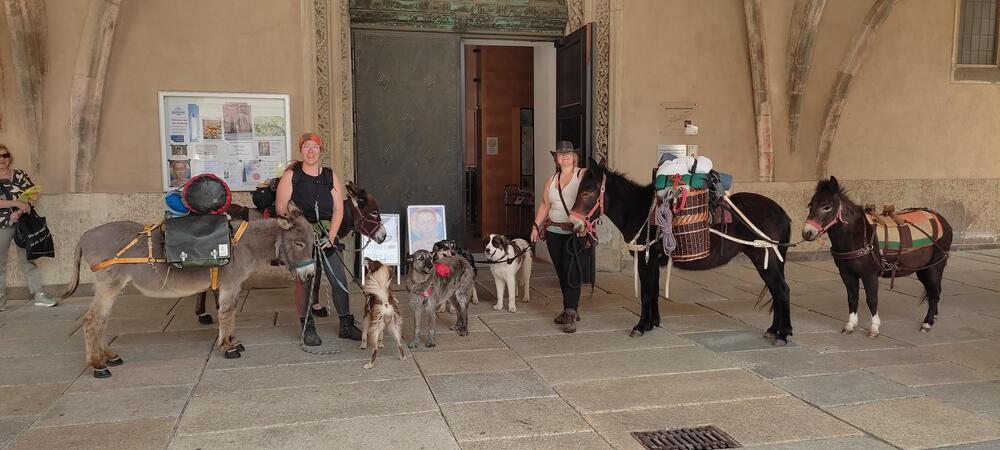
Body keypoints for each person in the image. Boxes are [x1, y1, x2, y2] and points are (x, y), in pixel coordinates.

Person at [275, 132, 362, 345]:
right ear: (301, 150)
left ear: (320, 149)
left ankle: (346, 324)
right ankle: (307, 327)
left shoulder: (329, 176)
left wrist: (332, 236)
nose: (311, 150)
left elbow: (338, 209)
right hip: (300, 236)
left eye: (315, 146)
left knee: (338, 279)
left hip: (325, 233)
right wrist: (302, 229)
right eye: (307, 147)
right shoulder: (292, 176)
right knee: (305, 279)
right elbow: (281, 207)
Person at [529, 141, 593, 333]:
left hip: (575, 233)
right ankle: (569, 308)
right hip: (554, 232)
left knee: (572, 272)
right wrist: (535, 226)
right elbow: (544, 205)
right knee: (562, 272)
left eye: (568, 153)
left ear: (575, 157)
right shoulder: (552, 179)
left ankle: (571, 313)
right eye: (560, 154)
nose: (564, 156)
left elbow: (593, 198)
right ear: (556, 159)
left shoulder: (582, 175)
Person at [0, 144, 55, 309]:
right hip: (2, 225)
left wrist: (26, 205)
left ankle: (38, 294)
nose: (2, 159)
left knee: (27, 260)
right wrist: (15, 203)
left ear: (9, 157)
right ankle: (0, 299)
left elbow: (32, 193)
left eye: (5, 155)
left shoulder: (19, 175)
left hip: (23, 223)